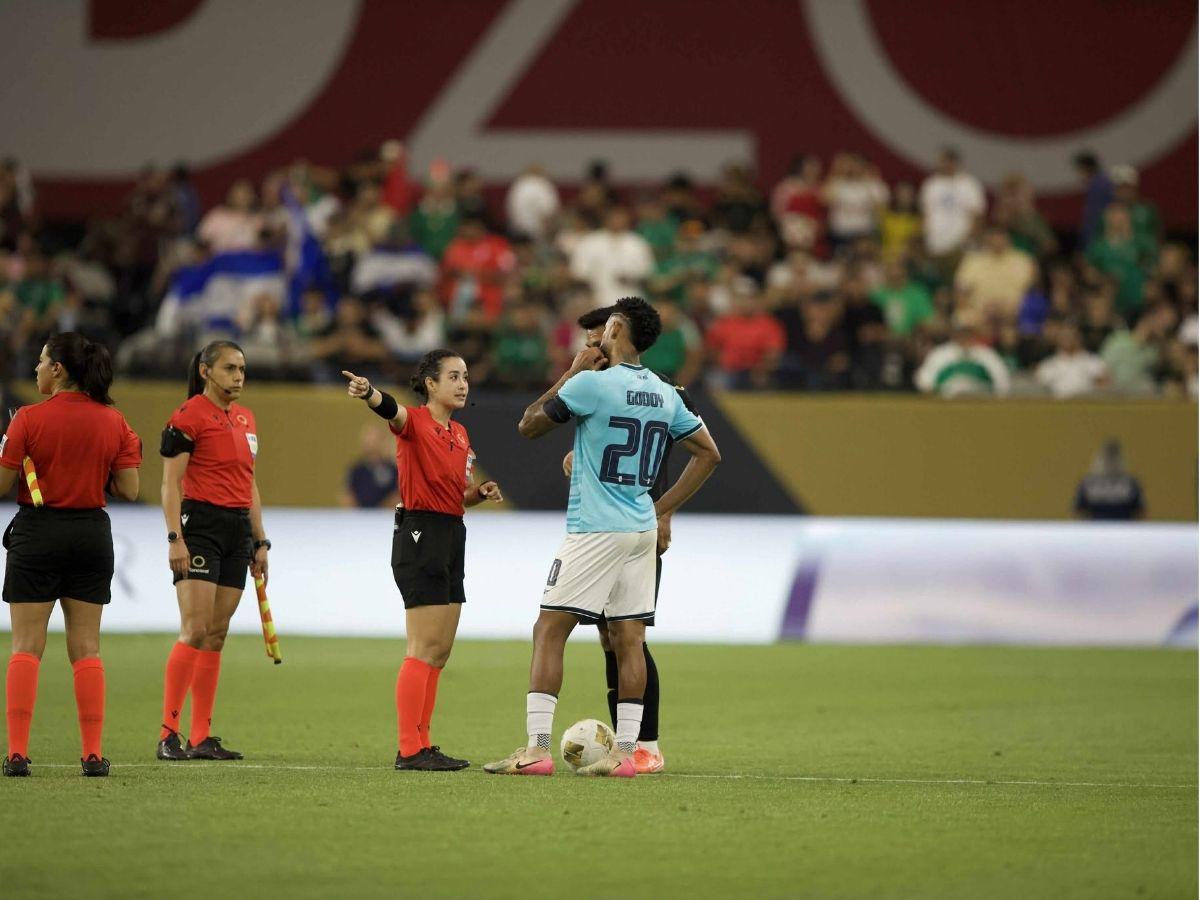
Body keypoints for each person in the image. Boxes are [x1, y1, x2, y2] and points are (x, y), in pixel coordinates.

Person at [485, 297, 721, 778]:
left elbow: (529, 424)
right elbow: (709, 454)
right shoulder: (664, 392)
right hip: (640, 529)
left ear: (614, 327)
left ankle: (536, 749)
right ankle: (626, 755)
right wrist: (661, 508)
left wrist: (571, 371)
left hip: (594, 528)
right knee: (629, 639)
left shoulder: (592, 384)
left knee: (549, 630)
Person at [554, 305, 701, 774]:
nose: (592, 346)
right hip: (612, 524)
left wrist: (666, 513)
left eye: (597, 336)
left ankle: (647, 744)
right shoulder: (604, 389)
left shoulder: (657, 390)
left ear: (615, 334)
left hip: (635, 525)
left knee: (629, 635)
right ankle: (626, 742)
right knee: (609, 638)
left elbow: (681, 449)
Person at [342, 350, 503, 772]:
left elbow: (459, 494)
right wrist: (368, 392)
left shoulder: (461, 434)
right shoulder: (414, 422)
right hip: (420, 533)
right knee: (422, 647)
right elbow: (389, 410)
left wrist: (479, 493)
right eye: (453, 376)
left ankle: (424, 743)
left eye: (466, 376)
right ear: (430, 384)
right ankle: (409, 748)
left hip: (451, 533)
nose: (463, 383)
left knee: (440, 650)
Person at [2, 334, 142, 777]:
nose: (37, 369)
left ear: (59, 369)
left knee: (26, 646)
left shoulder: (27, 418)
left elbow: (1, 485)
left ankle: (18, 755)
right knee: (86, 649)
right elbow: (130, 489)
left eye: (42, 362)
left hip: (38, 532)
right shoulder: (114, 422)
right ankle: (93, 755)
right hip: (90, 535)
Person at [156, 341, 270, 762]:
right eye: (230, 368)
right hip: (200, 527)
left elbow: (250, 482)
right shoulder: (187, 417)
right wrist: (175, 538)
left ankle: (201, 736)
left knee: (216, 634)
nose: (239, 376)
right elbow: (170, 484)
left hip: (237, 530)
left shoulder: (246, 418)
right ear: (206, 371)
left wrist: (259, 540)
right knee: (196, 628)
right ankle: (168, 733)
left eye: (242, 369)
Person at [1074, 440, 1144, 520]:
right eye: (1107, 459)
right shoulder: (1088, 484)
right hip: (1096, 529)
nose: (1110, 463)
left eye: (1114, 459)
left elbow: (1139, 512)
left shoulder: (1130, 484)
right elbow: (1079, 511)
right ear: (1099, 459)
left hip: (1123, 529)